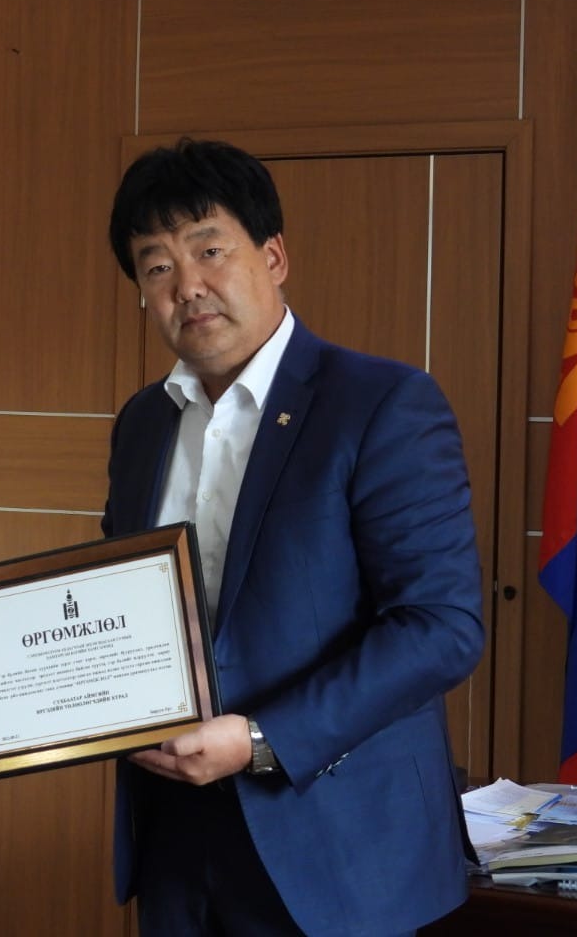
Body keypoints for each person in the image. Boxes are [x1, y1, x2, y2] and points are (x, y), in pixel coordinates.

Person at [102, 139, 484, 936]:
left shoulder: (381, 403)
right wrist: (8, 627)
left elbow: (441, 626)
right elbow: (128, 602)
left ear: (273, 256)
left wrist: (260, 739)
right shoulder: (144, 422)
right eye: (156, 266)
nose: (187, 285)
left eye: (209, 250)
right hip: (176, 834)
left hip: (341, 845)